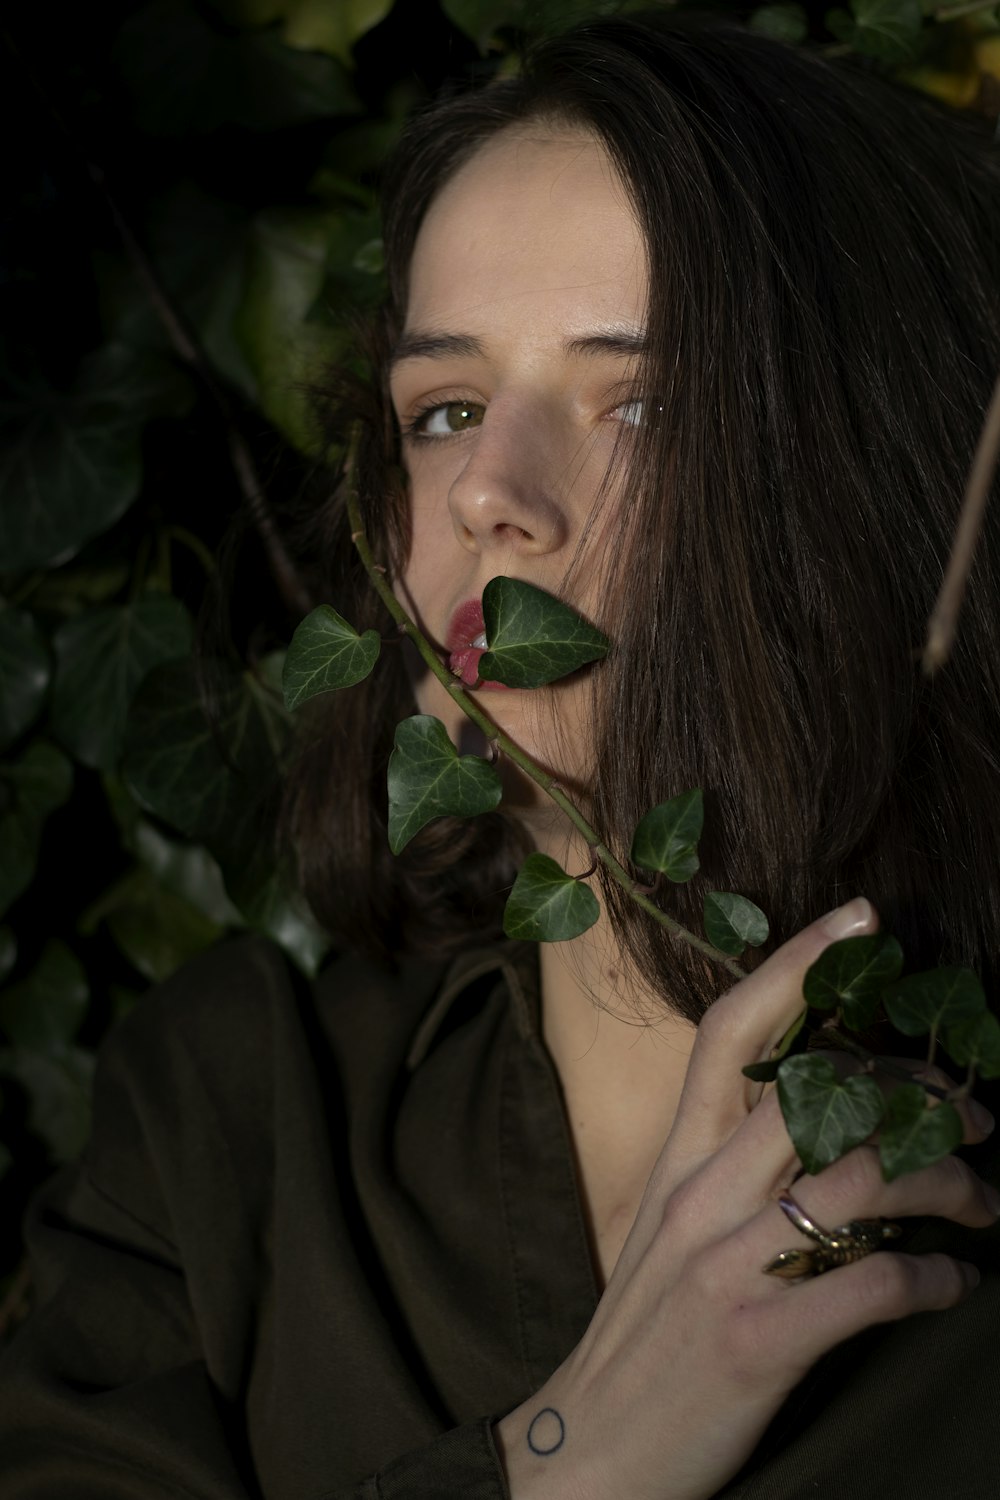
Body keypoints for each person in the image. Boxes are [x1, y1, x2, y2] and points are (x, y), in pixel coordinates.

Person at [3, 8, 1000, 1497]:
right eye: (445, 409)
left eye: (642, 403)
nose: (485, 492)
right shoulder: (233, 1118)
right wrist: (577, 1456)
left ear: (872, 485)